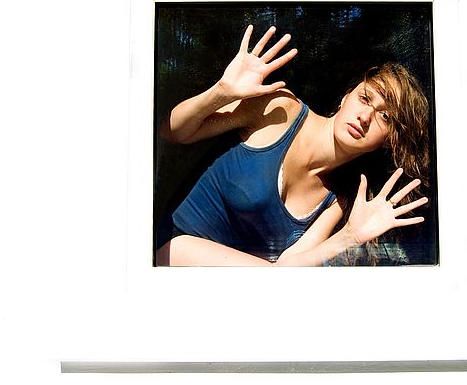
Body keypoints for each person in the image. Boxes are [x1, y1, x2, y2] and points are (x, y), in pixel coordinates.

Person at [156, 25, 430, 266]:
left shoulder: (339, 198)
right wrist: (221, 92)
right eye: (365, 98)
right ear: (347, 97)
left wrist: (350, 236)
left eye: (385, 117)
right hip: (162, 260)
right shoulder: (281, 110)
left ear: (389, 141)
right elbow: (172, 132)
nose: (365, 117)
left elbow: (288, 268)